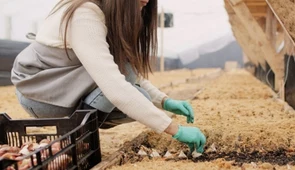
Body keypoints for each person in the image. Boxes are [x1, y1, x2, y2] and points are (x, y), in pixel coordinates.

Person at [11, 0, 206, 153]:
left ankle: (80, 132)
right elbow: (115, 84)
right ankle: (79, 136)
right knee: (125, 82)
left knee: (139, 93)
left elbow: (125, 73)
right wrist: (174, 129)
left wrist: (165, 101)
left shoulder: (105, 13)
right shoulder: (85, 14)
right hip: (40, 96)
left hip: (59, 89)